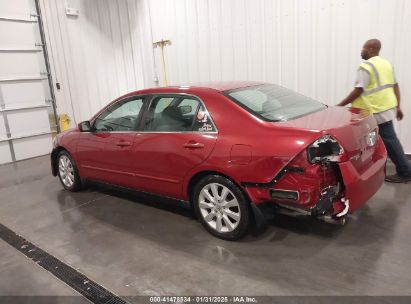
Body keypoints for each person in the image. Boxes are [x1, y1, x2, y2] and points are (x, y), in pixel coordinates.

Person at [337, 39, 411, 183]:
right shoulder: (386, 64)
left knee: (388, 140)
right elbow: (395, 86)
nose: (361, 50)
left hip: (374, 110)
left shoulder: (366, 66)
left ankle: (405, 171)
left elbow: (359, 90)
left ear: (370, 49)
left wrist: (339, 105)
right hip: (385, 108)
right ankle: (374, 166)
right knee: (377, 139)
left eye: (363, 47)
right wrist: (398, 107)